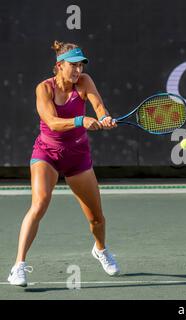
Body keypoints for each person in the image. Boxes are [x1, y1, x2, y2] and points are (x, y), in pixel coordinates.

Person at [7, 40, 120, 287]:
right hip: (47, 153)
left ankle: (100, 249)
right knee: (39, 204)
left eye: (80, 65)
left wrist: (104, 118)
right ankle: (18, 266)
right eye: (73, 65)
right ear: (59, 66)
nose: (78, 70)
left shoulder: (84, 82)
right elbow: (52, 121)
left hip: (78, 156)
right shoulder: (43, 89)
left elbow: (99, 106)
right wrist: (82, 120)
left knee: (97, 219)